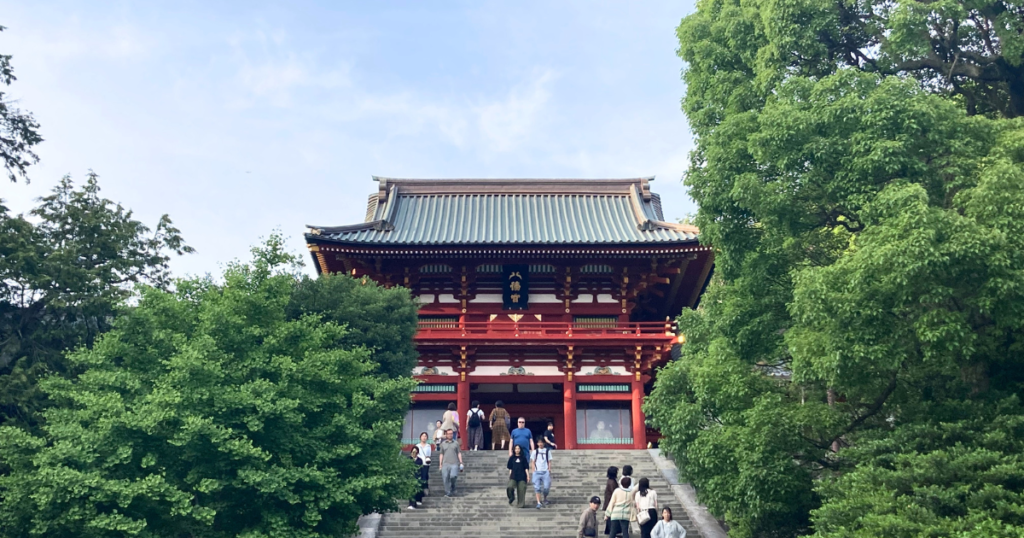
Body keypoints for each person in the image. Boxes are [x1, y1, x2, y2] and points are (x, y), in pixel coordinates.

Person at [438, 429, 463, 497]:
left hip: (454, 463)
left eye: (451, 433)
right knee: (445, 478)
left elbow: (459, 453)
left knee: (453, 476)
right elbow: (441, 454)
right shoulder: (443, 444)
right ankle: (447, 492)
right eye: (448, 433)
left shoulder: (456, 443)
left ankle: (453, 486)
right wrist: (440, 464)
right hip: (445, 464)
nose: (450, 435)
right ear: (446, 434)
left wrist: (461, 462)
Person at [531, 436, 553, 508]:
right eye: (539, 442)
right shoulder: (535, 452)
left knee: (546, 487)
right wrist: (533, 470)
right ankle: (538, 502)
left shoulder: (547, 451)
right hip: (537, 471)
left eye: (541, 442)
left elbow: (549, 461)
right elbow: (533, 461)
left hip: (545, 471)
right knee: (537, 487)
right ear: (537, 443)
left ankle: (545, 498)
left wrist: (549, 469)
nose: (540, 444)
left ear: (544, 443)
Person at [415, 432, 433, 496]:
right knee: (419, 476)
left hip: (426, 463)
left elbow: (429, 455)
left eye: (425, 436)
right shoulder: (417, 446)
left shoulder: (428, 446)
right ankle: (420, 490)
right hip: (419, 463)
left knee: (425, 476)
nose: (424, 437)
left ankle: (425, 489)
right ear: (420, 437)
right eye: (423, 436)